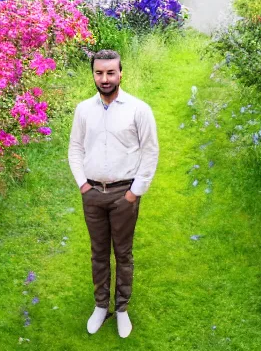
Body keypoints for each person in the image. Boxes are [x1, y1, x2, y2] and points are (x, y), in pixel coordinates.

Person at [68, 49, 159, 338]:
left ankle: (121, 309)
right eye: (99, 73)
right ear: (93, 74)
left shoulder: (138, 109)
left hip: (124, 195)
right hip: (93, 194)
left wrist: (134, 193)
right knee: (98, 253)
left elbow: (150, 152)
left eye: (110, 73)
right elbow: (75, 148)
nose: (104, 78)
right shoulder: (84, 109)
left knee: (123, 253)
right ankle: (100, 306)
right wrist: (83, 184)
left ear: (121, 73)